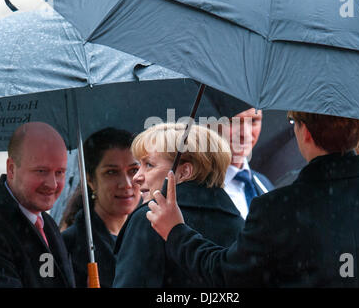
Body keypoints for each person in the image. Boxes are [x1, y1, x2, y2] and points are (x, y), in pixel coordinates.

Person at [147, 112, 359, 287]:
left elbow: (227, 275)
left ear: (305, 132)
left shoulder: (277, 207)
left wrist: (176, 231)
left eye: (294, 122)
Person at [112, 122, 245, 287]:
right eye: (139, 166)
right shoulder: (240, 225)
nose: (137, 177)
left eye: (149, 165)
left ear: (185, 172)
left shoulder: (150, 218)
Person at [0, 122, 75, 288]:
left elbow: (48, 278)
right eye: (41, 171)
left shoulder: (46, 224)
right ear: (12, 169)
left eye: (60, 172)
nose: (53, 184)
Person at [61, 127, 141, 288]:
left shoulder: (149, 238)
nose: (126, 184)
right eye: (111, 172)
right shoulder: (68, 246)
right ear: (90, 180)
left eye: (133, 170)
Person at [221, 108, 274, 219]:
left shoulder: (264, 185)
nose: (245, 133)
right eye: (233, 121)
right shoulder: (193, 190)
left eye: (254, 121)